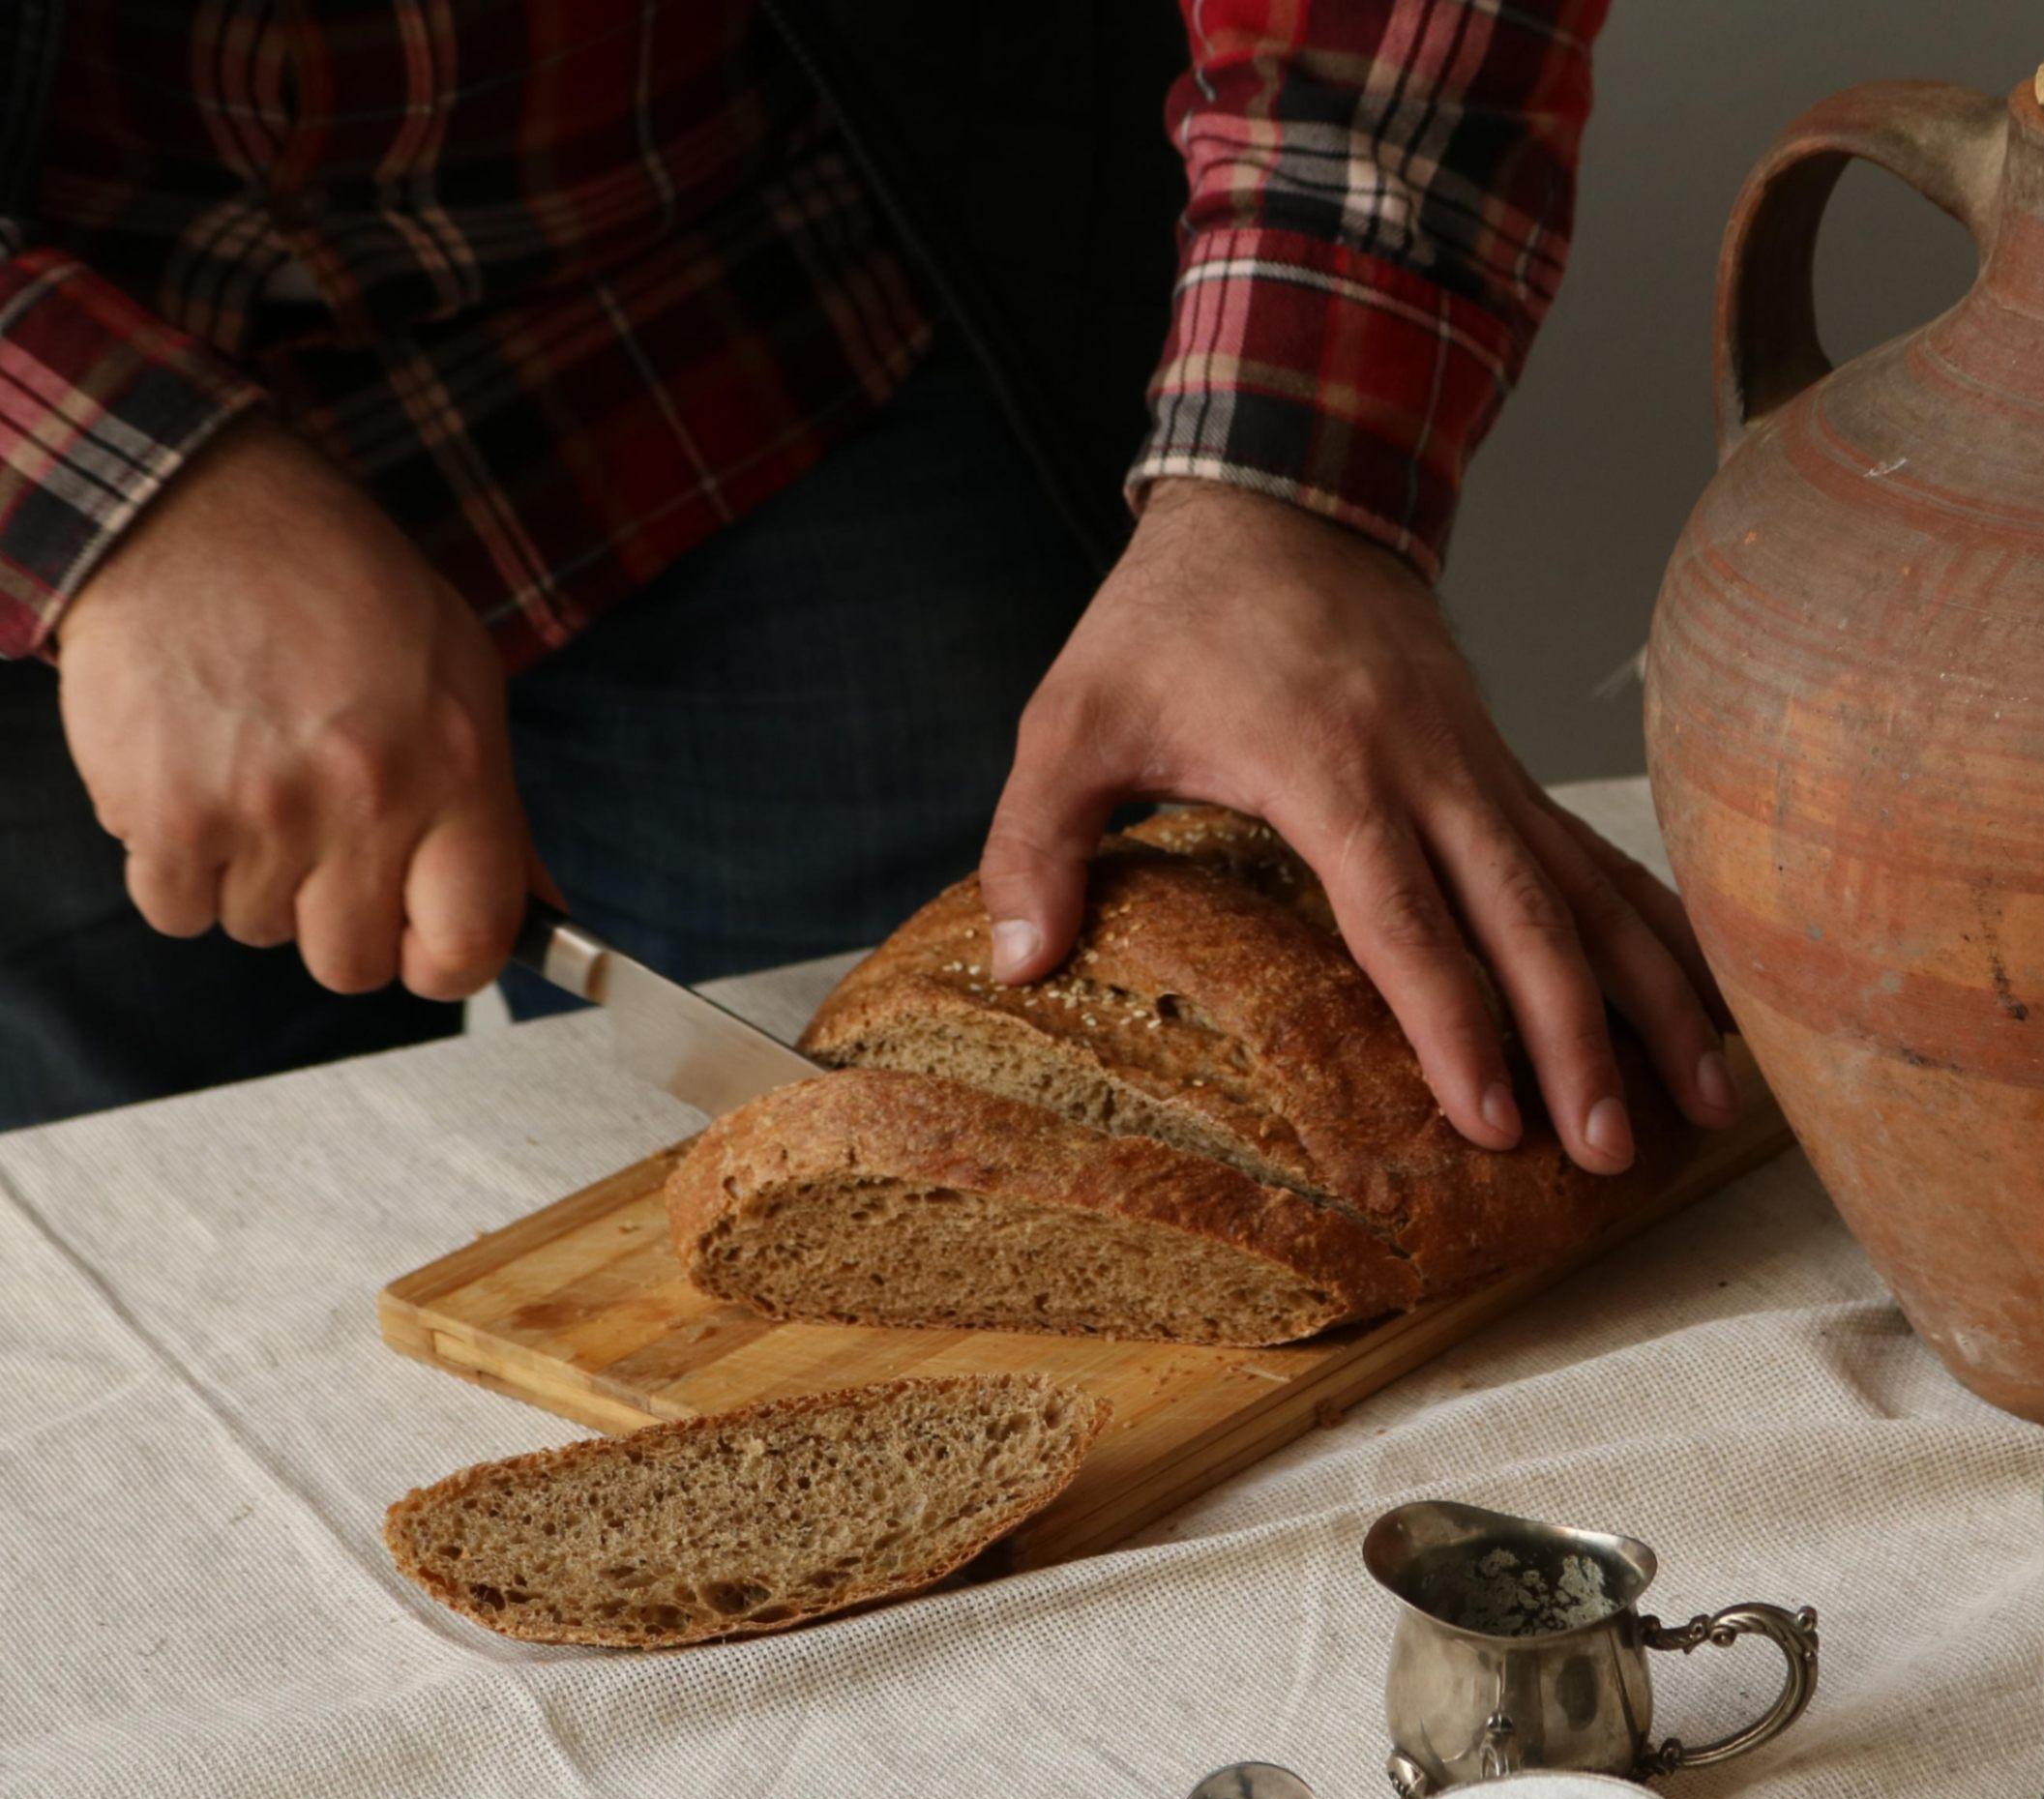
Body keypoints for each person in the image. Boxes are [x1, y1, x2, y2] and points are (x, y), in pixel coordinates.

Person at [0, 0, 1736, 1169]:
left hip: (744, 323)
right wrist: (99, 482)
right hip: (56, 463)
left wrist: (1286, 497)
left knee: (1010, 1137)